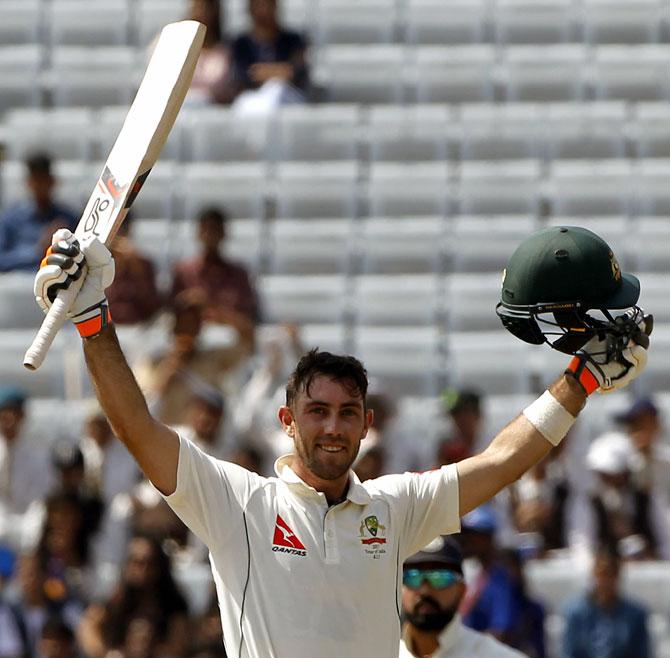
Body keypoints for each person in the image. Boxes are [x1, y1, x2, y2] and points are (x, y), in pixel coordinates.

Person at [32, 224, 650, 656]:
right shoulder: (238, 504)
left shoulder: (393, 508)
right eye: (317, 412)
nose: (332, 427)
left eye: (347, 413)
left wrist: (581, 379)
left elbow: (499, 461)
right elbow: (137, 428)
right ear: (287, 421)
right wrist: (93, 322)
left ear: (365, 423)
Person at [400, 536, 526, 657]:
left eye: (440, 578)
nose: (425, 591)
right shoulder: (384, 651)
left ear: (462, 591)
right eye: (413, 577)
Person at [170, 207, 260, 328]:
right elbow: (171, 314)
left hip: (230, 340)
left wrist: (210, 306)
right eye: (205, 229)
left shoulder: (239, 274)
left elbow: (248, 319)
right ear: (198, 233)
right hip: (195, 339)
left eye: (214, 229)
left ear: (223, 233)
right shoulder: (183, 272)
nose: (209, 235)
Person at [561, 548, 651, 658]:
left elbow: (641, 653)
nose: (605, 581)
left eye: (610, 575)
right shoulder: (575, 613)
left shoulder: (636, 614)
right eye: (601, 575)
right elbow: (569, 652)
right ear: (593, 576)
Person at [0, 153, 77, 272]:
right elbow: (3, 260)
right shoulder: (11, 219)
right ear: (29, 183)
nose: (40, 186)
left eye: (43, 181)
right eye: (36, 181)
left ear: (52, 182)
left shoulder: (67, 219)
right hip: (17, 282)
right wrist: (37, 250)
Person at [229, 0, 309, 101]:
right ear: (250, 9)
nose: (264, 10)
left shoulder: (294, 40)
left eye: (267, 4)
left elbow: (297, 72)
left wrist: (263, 72)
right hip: (251, 98)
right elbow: (242, 76)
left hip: (288, 98)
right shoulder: (241, 44)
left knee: (277, 90)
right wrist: (281, 71)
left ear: (275, 6)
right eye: (258, 5)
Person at [105, 216, 163, 325]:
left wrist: (137, 269)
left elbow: (152, 305)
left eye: (122, 228)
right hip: (103, 329)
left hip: (139, 329)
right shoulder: (94, 263)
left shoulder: (143, 264)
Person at [185, 0, 233, 105]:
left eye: (206, 8)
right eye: (197, 7)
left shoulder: (225, 51)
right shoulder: (176, 46)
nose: (201, 13)